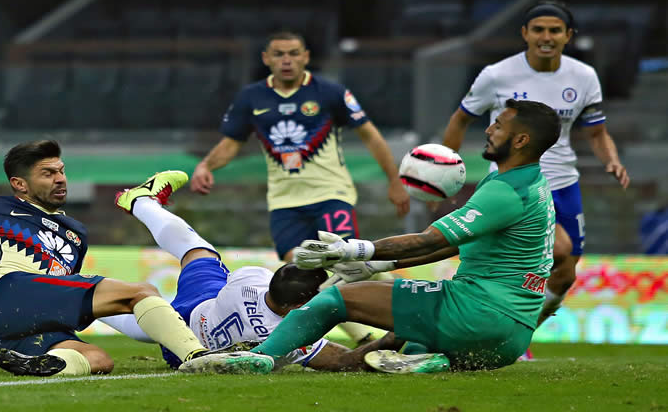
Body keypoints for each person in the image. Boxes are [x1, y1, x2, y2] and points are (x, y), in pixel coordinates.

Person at [182, 99, 562, 374]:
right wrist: (374, 263)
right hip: (511, 336)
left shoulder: (504, 191)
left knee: (334, 298)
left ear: (521, 140)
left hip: (479, 313)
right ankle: (437, 358)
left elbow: (431, 240)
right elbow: (450, 244)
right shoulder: (529, 183)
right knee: (405, 336)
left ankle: (258, 358)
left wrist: (352, 250)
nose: (491, 128)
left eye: (500, 125)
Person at [0, 140, 271, 376]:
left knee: (99, 361)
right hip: (12, 291)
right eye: (48, 173)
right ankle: (197, 357)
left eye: (62, 170)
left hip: (26, 321)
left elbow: (62, 282)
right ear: (20, 184)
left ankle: (34, 363)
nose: (61, 179)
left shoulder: (76, 230)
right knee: (139, 292)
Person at [440, 0, 630, 331]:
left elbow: (597, 132)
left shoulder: (583, 76)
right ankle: (479, 320)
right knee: (558, 249)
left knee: (566, 270)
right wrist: (445, 172)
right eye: (539, 29)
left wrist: (611, 160)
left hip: (563, 183)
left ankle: (523, 332)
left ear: (568, 35)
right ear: (524, 33)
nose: (547, 36)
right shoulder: (496, 75)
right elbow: (459, 120)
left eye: (555, 30)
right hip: (512, 182)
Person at [101, 176, 398, 371]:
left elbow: (288, 279)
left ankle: (140, 201)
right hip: (184, 349)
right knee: (137, 323)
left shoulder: (249, 279)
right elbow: (343, 360)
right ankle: (77, 293)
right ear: (297, 307)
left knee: (195, 249)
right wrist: (389, 342)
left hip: (202, 306)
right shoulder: (288, 334)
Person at [191, 31, 410, 262]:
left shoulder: (330, 92)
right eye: (279, 54)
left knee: (343, 261)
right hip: (284, 201)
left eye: (294, 53)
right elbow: (230, 144)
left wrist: (394, 180)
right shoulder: (251, 97)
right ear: (266, 59)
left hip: (331, 194)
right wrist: (206, 166)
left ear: (305, 57)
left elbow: (370, 136)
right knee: (297, 266)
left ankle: (361, 292)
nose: (287, 60)